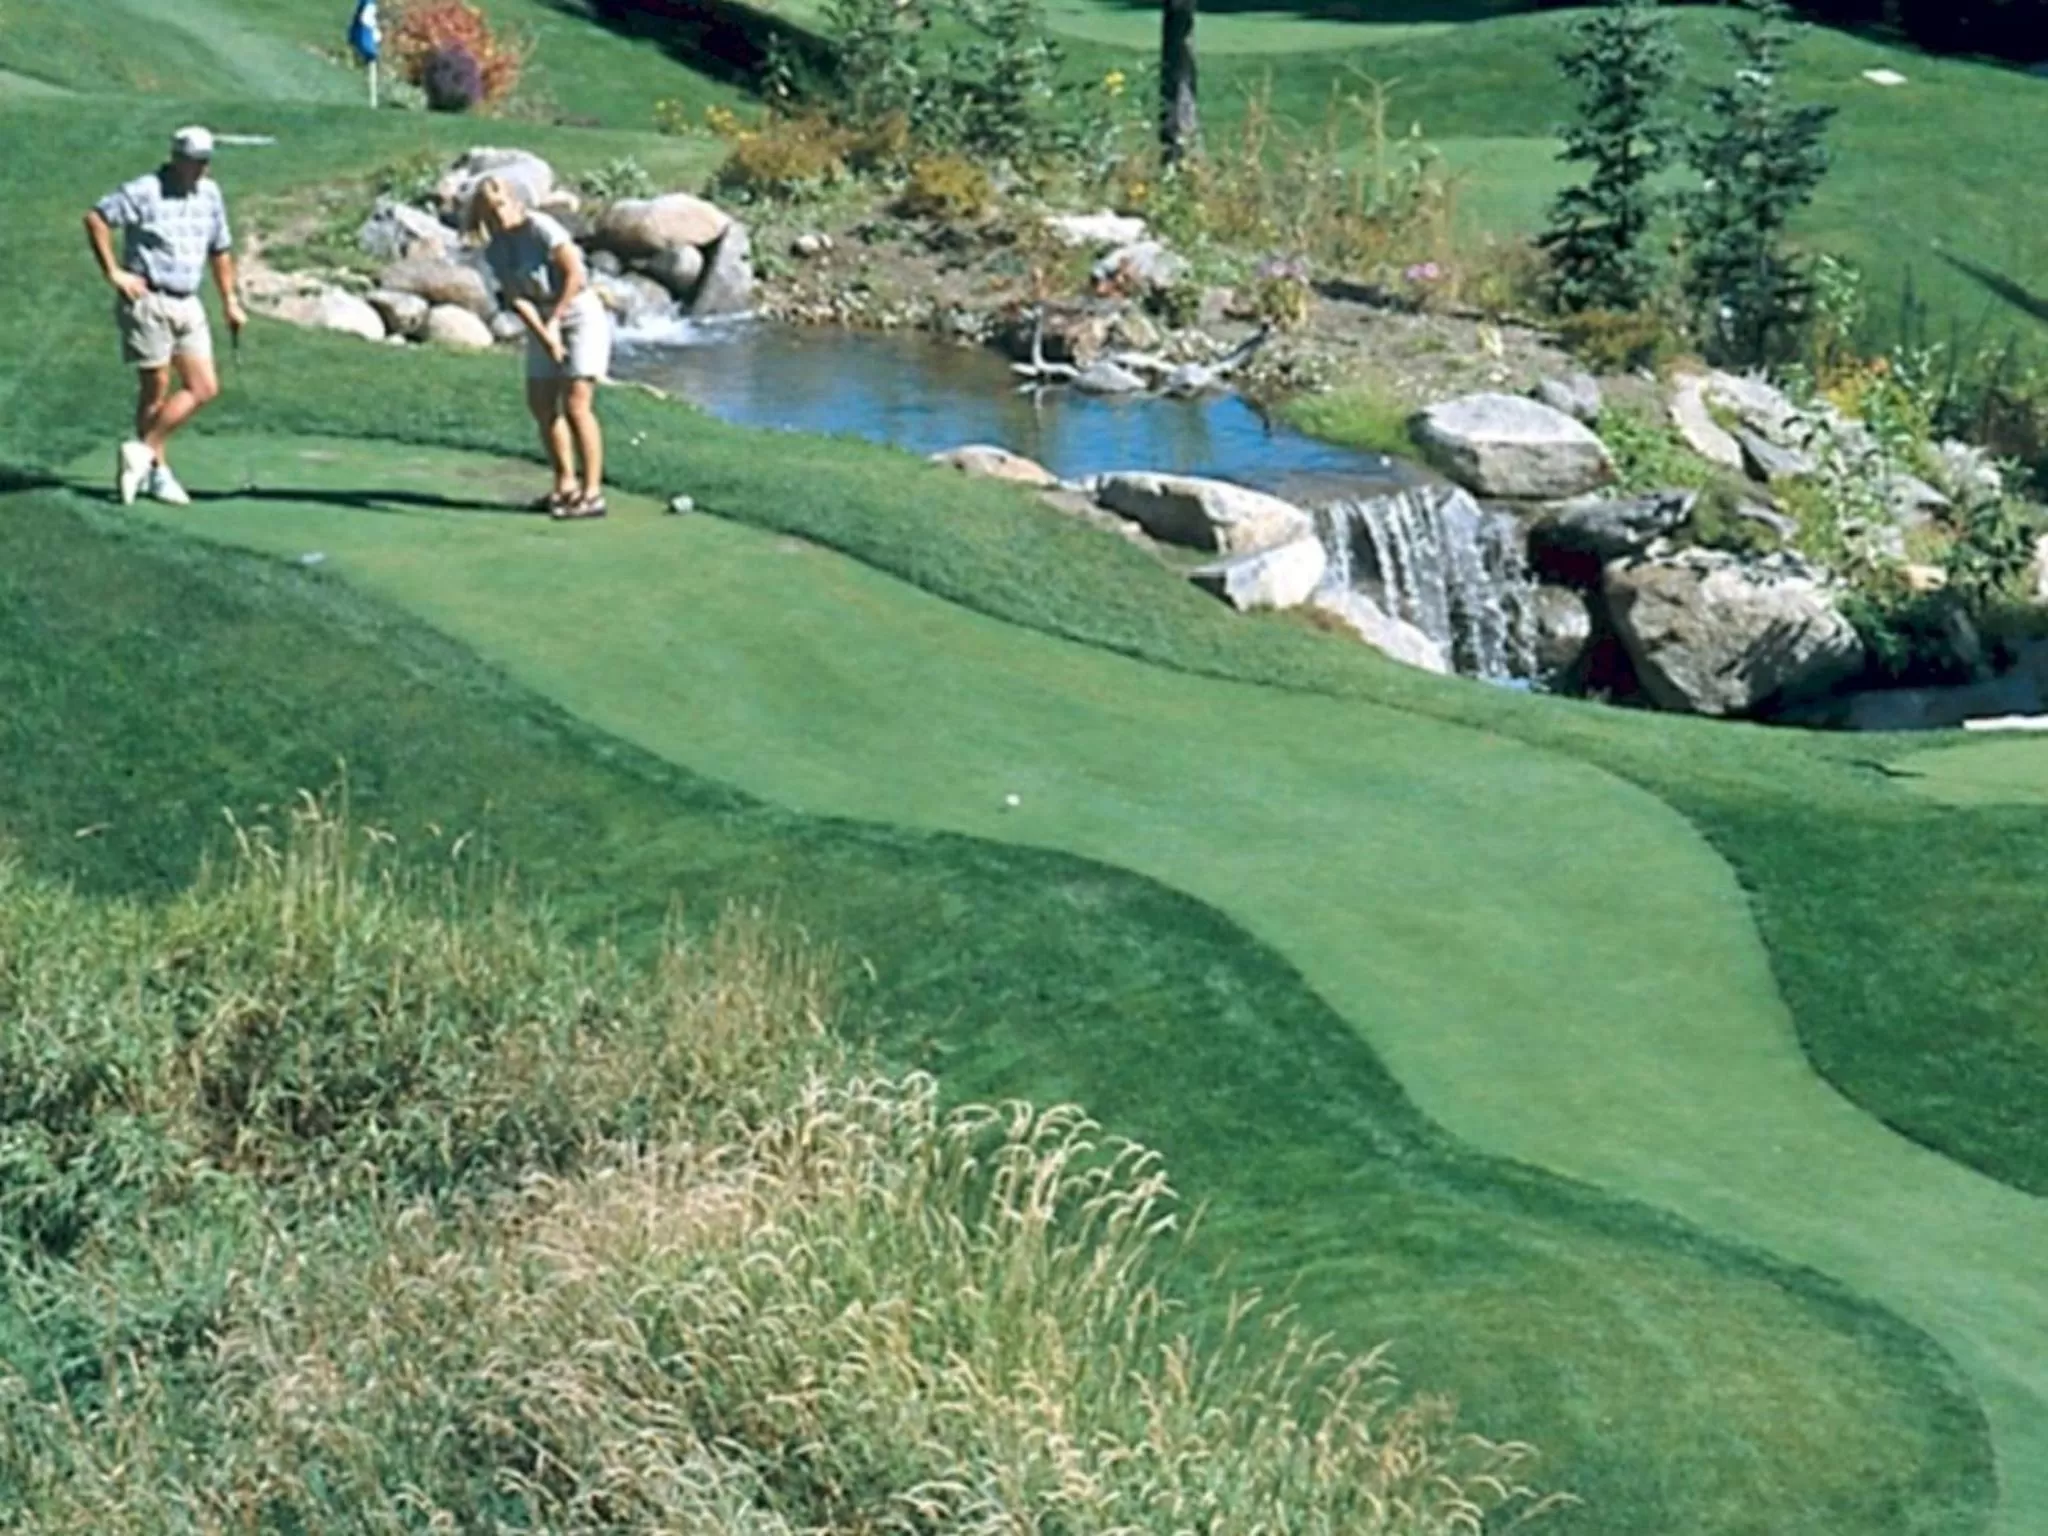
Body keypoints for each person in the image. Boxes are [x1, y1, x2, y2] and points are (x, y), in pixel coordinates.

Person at [84, 126, 246, 507]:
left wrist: (230, 301)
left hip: (189, 301)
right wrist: (114, 273)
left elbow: (220, 249)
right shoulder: (145, 190)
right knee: (155, 387)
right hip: (148, 300)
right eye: (195, 161)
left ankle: (140, 452)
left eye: (206, 161)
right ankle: (158, 472)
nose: (202, 169)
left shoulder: (209, 194)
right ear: (176, 158)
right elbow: (96, 218)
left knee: (204, 387)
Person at [468, 176, 612, 519]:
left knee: (577, 404)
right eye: (489, 213)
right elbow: (517, 298)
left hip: (577, 311)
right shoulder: (496, 248)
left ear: (515, 201)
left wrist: (556, 322)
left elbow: (574, 273)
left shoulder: (541, 227)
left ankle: (592, 493)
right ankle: (565, 484)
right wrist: (545, 335)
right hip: (542, 317)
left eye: (500, 206)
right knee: (541, 403)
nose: (498, 217)